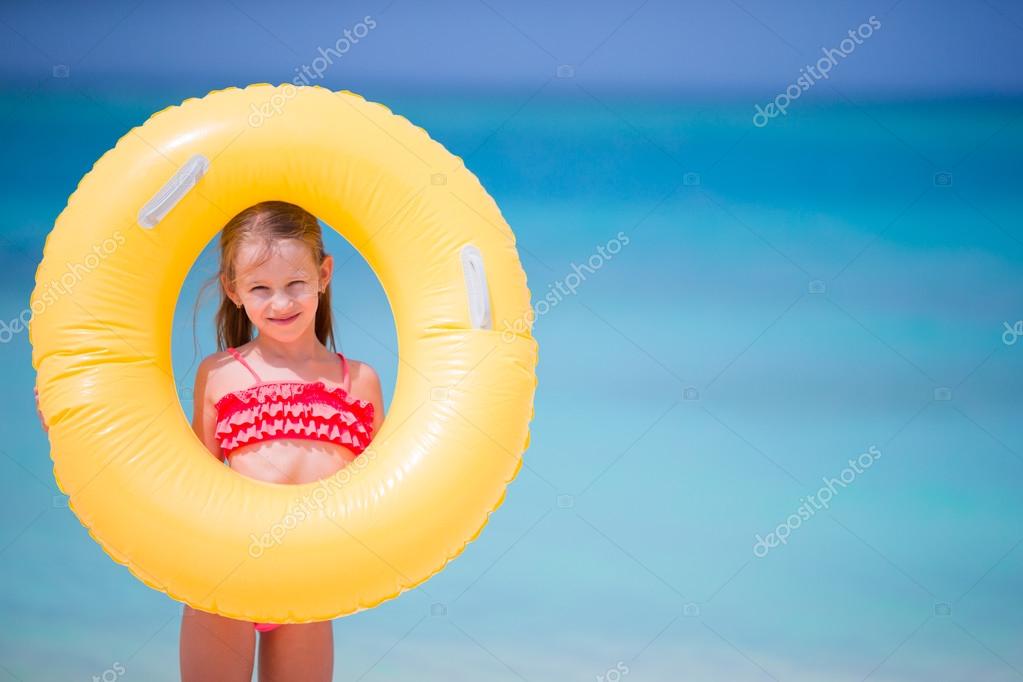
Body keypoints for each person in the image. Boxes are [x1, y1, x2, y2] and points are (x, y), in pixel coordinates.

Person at [37, 200, 385, 682]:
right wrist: (78, 428)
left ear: (324, 275)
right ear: (233, 290)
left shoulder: (359, 381)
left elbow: (386, 491)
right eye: (260, 288)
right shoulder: (222, 374)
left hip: (308, 579)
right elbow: (188, 479)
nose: (280, 303)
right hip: (225, 569)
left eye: (296, 284)